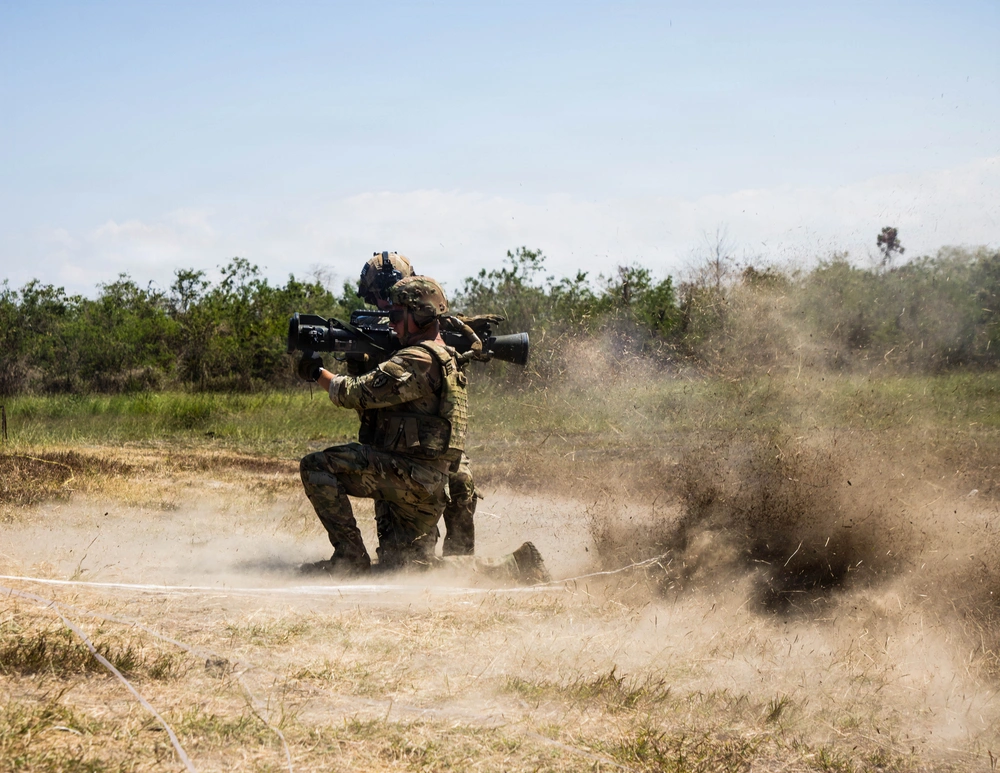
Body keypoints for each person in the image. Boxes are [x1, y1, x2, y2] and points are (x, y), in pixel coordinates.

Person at [297, 275, 547, 582]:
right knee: (405, 568)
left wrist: (316, 372)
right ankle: (518, 565)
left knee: (317, 465)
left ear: (421, 315)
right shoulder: (444, 354)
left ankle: (349, 558)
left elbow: (353, 393)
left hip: (413, 479)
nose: (391, 322)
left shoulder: (417, 358)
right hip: (428, 481)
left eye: (397, 315)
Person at [355, 252, 477, 557]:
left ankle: (463, 565)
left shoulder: (429, 324)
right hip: (393, 446)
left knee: (461, 482)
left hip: (435, 442)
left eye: (392, 291)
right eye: (379, 295)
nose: (386, 302)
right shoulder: (365, 331)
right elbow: (361, 395)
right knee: (402, 560)